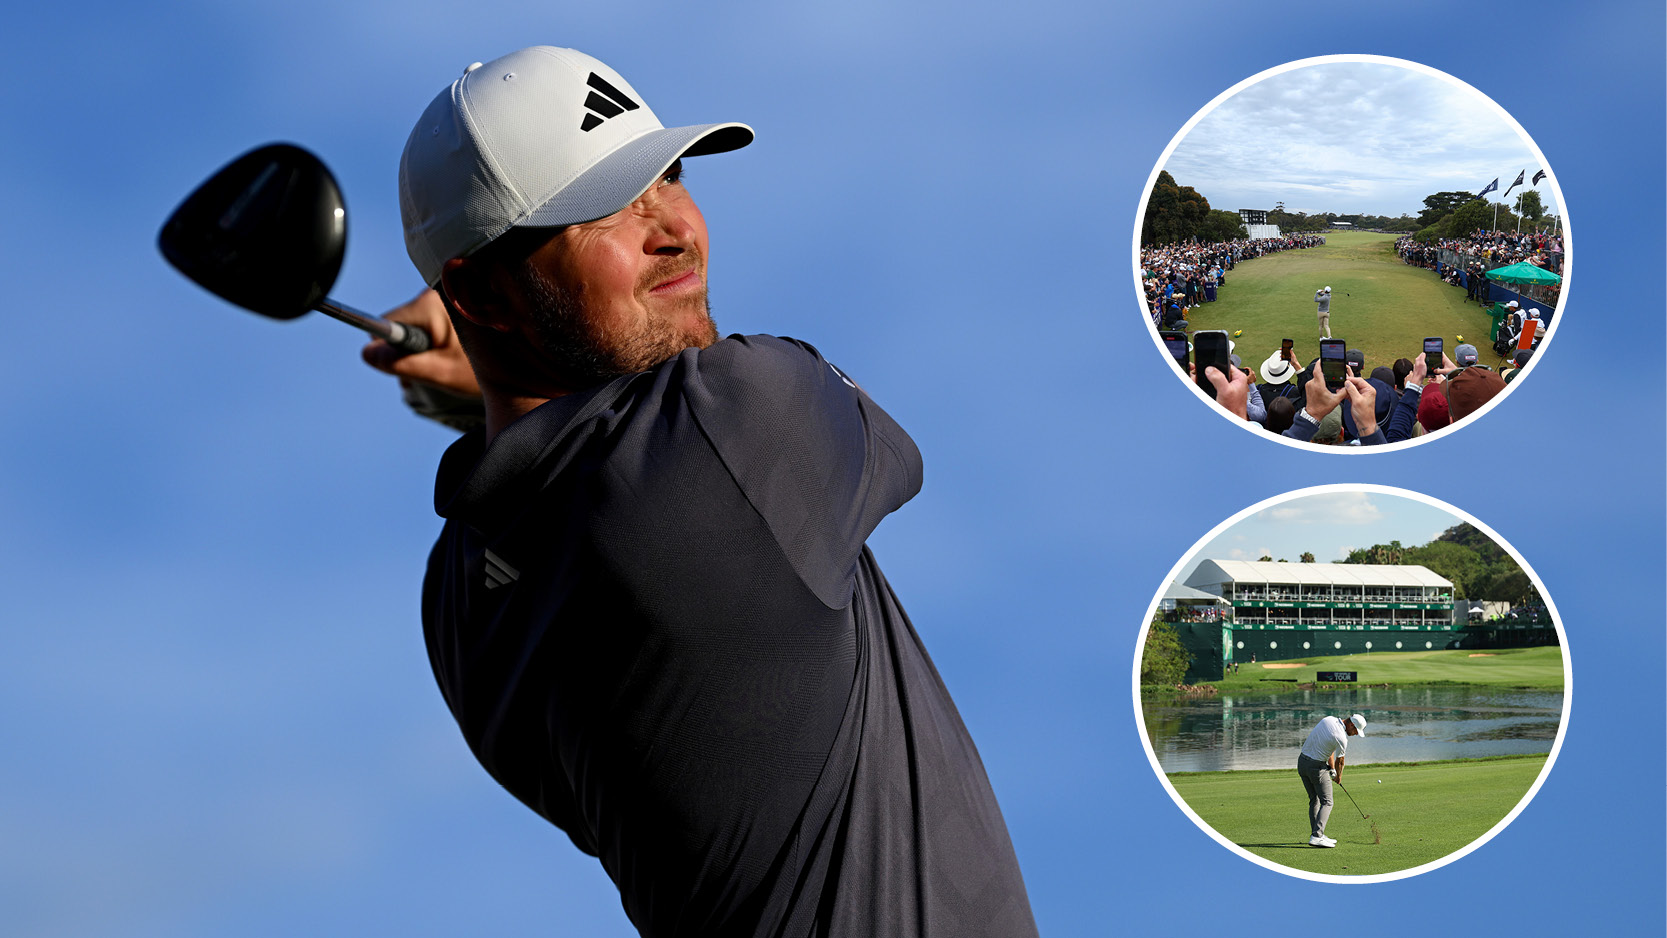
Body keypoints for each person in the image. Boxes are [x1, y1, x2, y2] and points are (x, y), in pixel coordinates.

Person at [362, 46, 1036, 937]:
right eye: (602, 209)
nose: (672, 228)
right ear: (482, 296)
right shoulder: (746, 418)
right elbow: (694, 449)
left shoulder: (456, 603)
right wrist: (489, 374)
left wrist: (493, 383)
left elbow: (570, 493)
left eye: (667, 179)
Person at [1298, 713, 1366, 847]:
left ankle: (1317, 834)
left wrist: (1332, 768)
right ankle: (1317, 836)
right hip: (1316, 767)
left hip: (1302, 763)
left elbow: (1329, 748)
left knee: (1314, 800)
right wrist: (1338, 777)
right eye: (1356, 731)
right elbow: (1341, 761)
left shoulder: (1328, 720)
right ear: (1351, 725)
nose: (1356, 734)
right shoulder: (1342, 737)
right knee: (1327, 802)